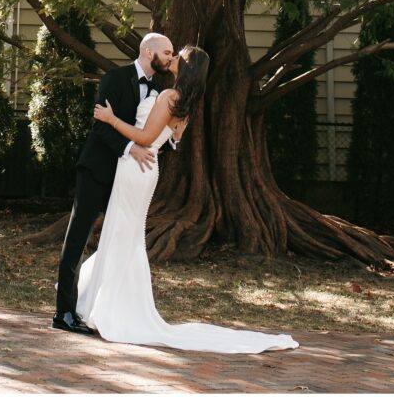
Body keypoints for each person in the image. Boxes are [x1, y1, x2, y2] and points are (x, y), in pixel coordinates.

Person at [76, 44, 300, 354]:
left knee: (122, 233)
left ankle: (114, 309)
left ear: (186, 64)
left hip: (135, 167)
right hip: (147, 168)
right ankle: (106, 302)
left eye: (178, 54)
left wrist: (111, 119)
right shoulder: (186, 102)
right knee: (127, 235)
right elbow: (175, 140)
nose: (173, 56)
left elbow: (143, 138)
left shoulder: (170, 97)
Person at [52, 32, 175, 334]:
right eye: (167, 52)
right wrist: (130, 147)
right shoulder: (115, 78)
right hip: (97, 170)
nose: (171, 58)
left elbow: (152, 128)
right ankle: (64, 313)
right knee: (77, 238)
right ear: (149, 52)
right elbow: (100, 125)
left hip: (127, 179)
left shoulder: (160, 89)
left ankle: (108, 309)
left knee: (121, 239)